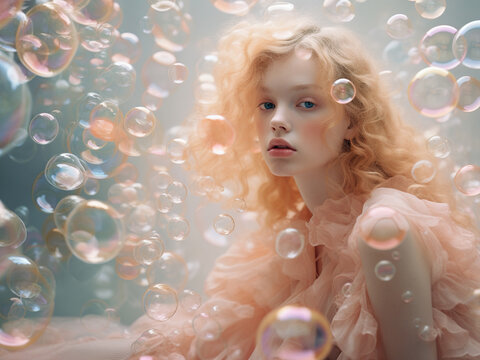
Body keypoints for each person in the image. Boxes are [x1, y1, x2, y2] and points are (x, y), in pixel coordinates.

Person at [2, 13, 480, 360]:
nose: (279, 121)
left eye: (307, 104)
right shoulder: (301, 228)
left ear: (352, 119)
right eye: (266, 104)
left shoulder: (384, 227)